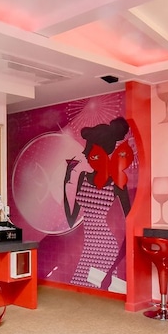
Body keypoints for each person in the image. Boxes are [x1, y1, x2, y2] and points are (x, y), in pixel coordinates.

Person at [63, 117, 135, 290]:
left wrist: (115, 264)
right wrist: (66, 181)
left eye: (88, 148)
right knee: (79, 290)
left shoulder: (117, 182)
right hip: (89, 247)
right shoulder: (83, 178)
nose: (84, 153)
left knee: (97, 292)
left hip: (106, 248)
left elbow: (130, 223)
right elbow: (71, 220)